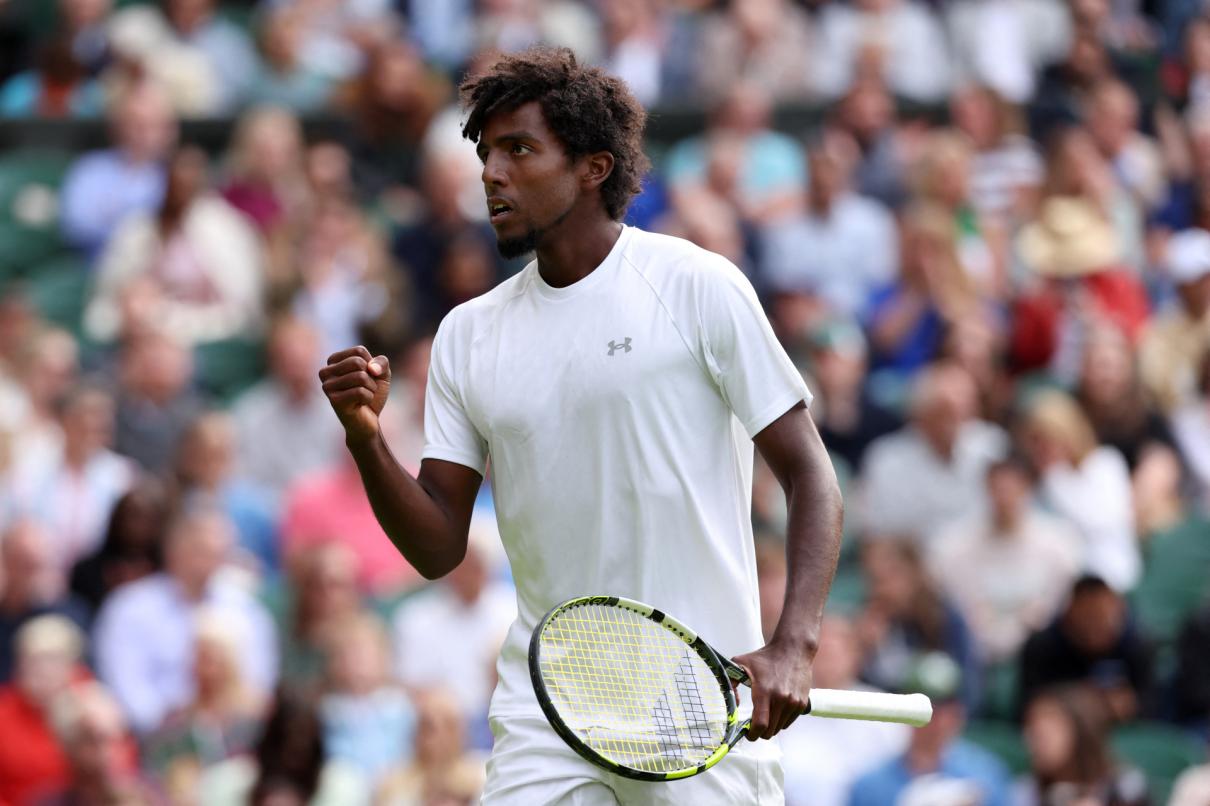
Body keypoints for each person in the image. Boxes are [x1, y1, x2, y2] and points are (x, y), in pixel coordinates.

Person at [319, 47, 843, 805]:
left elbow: (811, 476)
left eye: (519, 149)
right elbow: (436, 546)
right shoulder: (468, 334)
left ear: (594, 167)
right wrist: (367, 438)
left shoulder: (698, 286)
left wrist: (794, 643)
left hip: (697, 695)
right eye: (487, 152)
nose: (492, 173)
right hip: (549, 706)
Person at [93, 508, 278, 734]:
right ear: (173, 550)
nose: (208, 562)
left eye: (218, 552)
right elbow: (126, 689)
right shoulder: (129, 608)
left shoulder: (248, 612)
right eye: (200, 550)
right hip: (154, 744)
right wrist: (177, 733)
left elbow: (257, 686)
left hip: (234, 742)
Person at [1017, 575, 1153, 723]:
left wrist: (1130, 706)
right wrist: (1076, 702)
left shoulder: (1137, 646)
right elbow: (1026, 709)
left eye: (1104, 620)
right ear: (1070, 613)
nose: (1095, 631)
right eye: (1089, 620)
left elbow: (1151, 709)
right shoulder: (1042, 647)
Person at [1015, 684, 1149, 806]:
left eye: (1045, 733)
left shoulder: (1125, 785)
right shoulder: (1026, 791)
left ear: (1081, 731)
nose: (1034, 742)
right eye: (1033, 732)